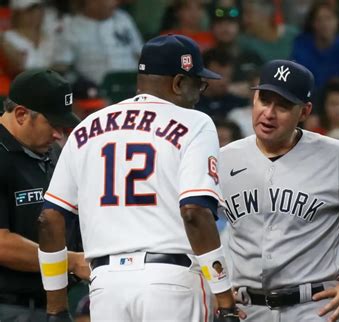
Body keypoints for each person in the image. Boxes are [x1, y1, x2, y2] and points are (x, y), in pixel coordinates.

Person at [37, 34, 244, 322]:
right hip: (172, 282)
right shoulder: (195, 123)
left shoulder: (88, 127)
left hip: (106, 287)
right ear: (178, 83)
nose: (200, 94)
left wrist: (56, 308)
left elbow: (49, 219)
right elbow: (195, 211)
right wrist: (225, 299)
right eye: (199, 83)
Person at [219, 59, 339, 322]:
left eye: (282, 105)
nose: (269, 113)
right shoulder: (225, 159)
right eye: (264, 100)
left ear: (304, 112)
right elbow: (191, 224)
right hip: (247, 310)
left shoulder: (338, 157)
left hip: (313, 308)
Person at [0, 69, 89, 322]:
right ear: (20, 114)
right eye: (52, 124)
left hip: (56, 303)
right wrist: (70, 261)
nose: (58, 135)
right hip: (10, 306)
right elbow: (1, 244)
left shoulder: (52, 152)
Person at [291, 1, 339, 90]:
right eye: (319, 19)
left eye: (329, 19)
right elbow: (295, 83)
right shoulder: (301, 45)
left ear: (337, 21)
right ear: (312, 23)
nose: (324, 24)